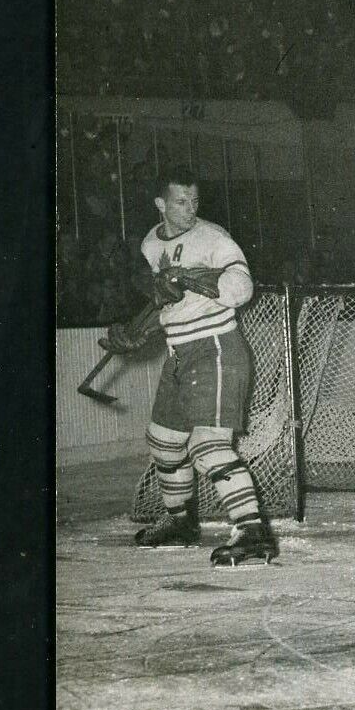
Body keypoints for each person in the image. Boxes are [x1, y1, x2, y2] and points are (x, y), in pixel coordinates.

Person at [107, 169, 277, 566]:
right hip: (179, 352)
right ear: (160, 205)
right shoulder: (152, 243)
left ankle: (253, 532)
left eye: (195, 201)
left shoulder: (212, 238)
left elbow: (241, 287)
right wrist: (137, 333)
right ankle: (180, 522)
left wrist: (192, 278)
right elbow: (167, 303)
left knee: (208, 445)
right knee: (164, 442)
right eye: (181, 202)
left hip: (215, 347)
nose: (191, 209)